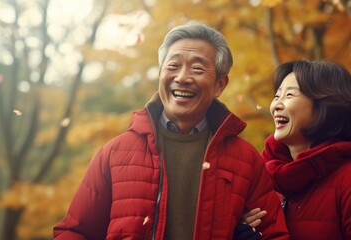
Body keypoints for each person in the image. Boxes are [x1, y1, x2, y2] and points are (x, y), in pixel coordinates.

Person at [53, 20, 289, 239]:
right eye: (173, 66)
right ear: (160, 73)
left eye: (197, 69)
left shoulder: (245, 160)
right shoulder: (115, 153)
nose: (182, 77)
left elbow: (274, 234)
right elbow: (73, 232)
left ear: (220, 84)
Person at [241, 60, 351, 239]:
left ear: (326, 105)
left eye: (289, 95)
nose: (276, 105)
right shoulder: (264, 184)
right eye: (277, 96)